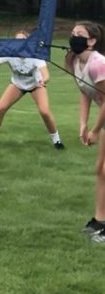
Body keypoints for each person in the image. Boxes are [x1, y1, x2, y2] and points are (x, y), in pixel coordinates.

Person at [0, 30, 63, 149]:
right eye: (17, 41)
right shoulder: (9, 53)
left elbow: (46, 75)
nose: (19, 43)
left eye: (22, 40)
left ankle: (57, 141)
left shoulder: (35, 55)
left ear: (28, 42)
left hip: (36, 85)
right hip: (17, 85)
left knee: (44, 111)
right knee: (0, 109)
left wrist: (43, 81)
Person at [63, 22, 105, 240]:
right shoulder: (76, 62)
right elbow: (85, 92)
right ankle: (99, 221)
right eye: (72, 34)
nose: (73, 37)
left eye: (79, 34)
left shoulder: (98, 63)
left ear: (92, 41)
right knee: (100, 170)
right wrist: (83, 123)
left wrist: (96, 130)